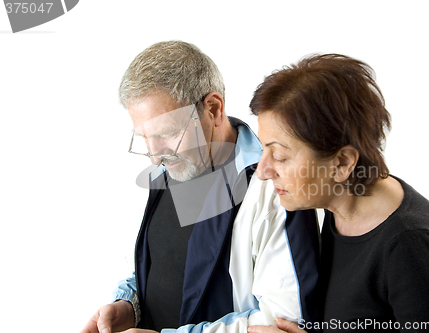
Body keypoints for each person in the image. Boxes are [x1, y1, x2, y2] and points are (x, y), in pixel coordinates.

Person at [80, 41, 321, 333]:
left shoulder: (273, 188)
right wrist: (131, 305)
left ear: (213, 108)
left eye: (167, 133)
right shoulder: (171, 167)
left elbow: (286, 321)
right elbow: (165, 266)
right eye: (145, 138)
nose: (155, 156)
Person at [247, 54, 429, 332]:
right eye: (264, 150)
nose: (263, 171)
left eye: (281, 156)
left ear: (343, 163)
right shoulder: (338, 207)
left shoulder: (411, 247)